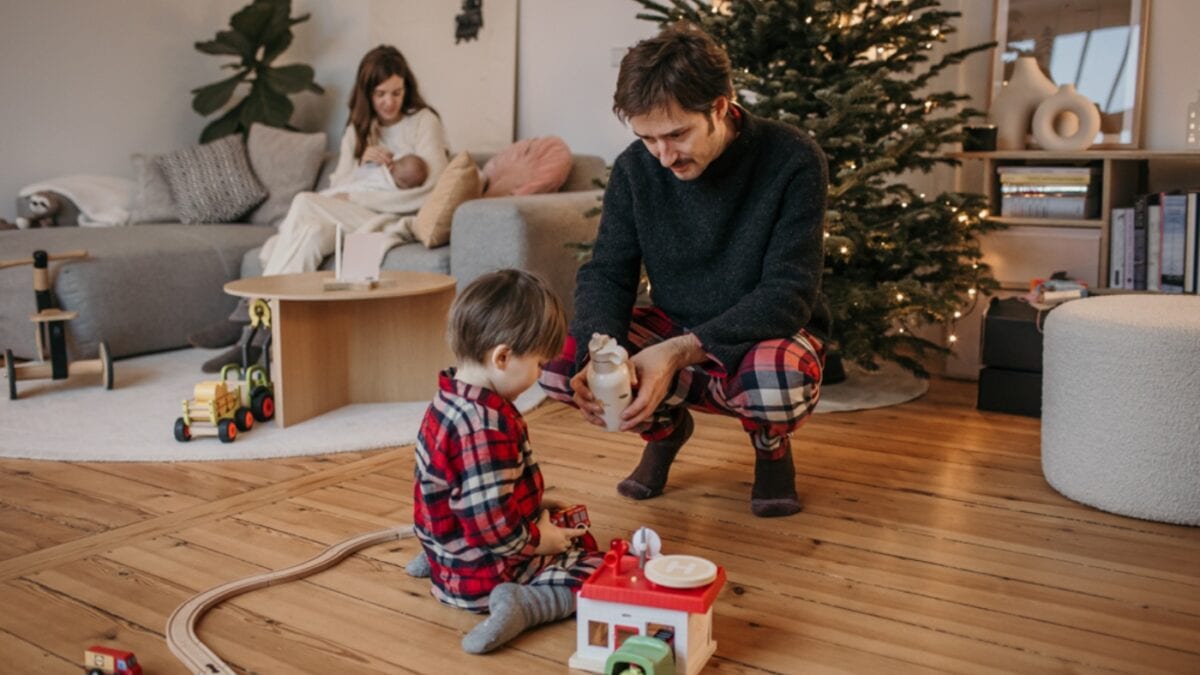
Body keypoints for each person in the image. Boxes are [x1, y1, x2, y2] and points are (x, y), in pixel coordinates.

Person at [539, 23, 831, 518]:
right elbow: (608, 271)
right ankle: (665, 431)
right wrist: (597, 350)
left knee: (775, 382)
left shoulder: (793, 158)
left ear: (720, 106)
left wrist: (676, 352)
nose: (664, 156)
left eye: (677, 134)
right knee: (562, 372)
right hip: (675, 321)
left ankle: (770, 446)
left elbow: (788, 293)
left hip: (764, 328)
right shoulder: (637, 167)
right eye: (648, 138)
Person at [190, 44, 450, 371]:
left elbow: (431, 188)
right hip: (350, 214)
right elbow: (338, 186)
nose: (389, 102)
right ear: (366, 93)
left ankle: (248, 312)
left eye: (397, 92)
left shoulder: (423, 122)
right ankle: (256, 342)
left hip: (389, 217)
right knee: (311, 235)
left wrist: (358, 197)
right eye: (381, 93)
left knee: (304, 201)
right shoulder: (358, 130)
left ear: (406, 88)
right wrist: (361, 166)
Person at [409, 269, 603, 654]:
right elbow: (491, 524)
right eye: (538, 364)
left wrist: (533, 505)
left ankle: (439, 556)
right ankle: (523, 605)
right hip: (482, 576)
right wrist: (539, 540)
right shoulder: (487, 428)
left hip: (453, 547)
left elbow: (462, 488)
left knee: (483, 516)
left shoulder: (448, 397)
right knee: (594, 565)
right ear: (502, 357)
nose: (540, 374)